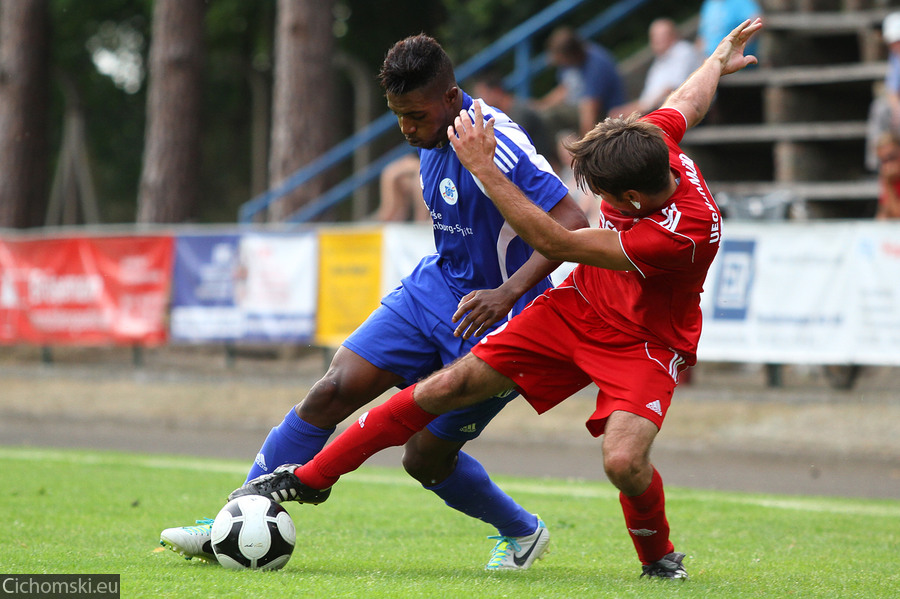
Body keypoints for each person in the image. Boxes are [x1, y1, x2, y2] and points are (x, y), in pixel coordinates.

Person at [229, 19, 764, 580]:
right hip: (575, 308)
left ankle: (656, 558)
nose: (593, 198)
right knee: (440, 386)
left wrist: (484, 169)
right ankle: (309, 480)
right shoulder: (651, 147)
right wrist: (716, 61)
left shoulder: (681, 236)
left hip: (645, 341)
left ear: (629, 198)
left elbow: (558, 238)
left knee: (624, 462)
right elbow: (685, 102)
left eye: (601, 195)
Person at [160, 34, 588, 571]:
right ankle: (234, 516)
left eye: (414, 114)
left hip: (506, 317)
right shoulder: (431, 139)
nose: (406, 128)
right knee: (330, 391)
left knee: (424, 459)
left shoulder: (497, 141)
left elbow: (573, 224)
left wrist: (507, 292)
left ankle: (522, 531)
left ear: (451, 97)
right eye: (397, 115)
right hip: (434, 290)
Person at [534, 27, 627, 137]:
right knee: (538, 115)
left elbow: (590, 110)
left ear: (570, 55)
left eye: (560, 58)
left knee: (547, 117)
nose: (557, 62)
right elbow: (564, 89)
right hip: (579, 109)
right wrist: (539, 106)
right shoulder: (570, 64)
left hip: (607, 116)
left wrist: (583, 147)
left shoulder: (596, 65)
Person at [614, 18, 702, 117]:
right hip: (660, 110)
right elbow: (647, 98)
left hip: (680, 111)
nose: (657, 41)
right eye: (654, 37)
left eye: (662, 36)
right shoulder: (660, 60)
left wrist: (638, 109)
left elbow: (672, 88)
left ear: (673, 35)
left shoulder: (683, 51)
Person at [472, 71, 555, 167]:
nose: (479, 102)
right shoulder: (506, 114)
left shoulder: (520, 113)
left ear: (496, 92)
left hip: (545, 168)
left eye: (482, 94)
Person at [865, 12, 900, 172]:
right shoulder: (895, 57)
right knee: (879, 109)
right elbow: (892, 89)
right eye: (892, 43)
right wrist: (897, 109)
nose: (895, 46)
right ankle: (878, 164)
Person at [375, 152, 430, 222]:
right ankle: (390, 212)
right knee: (390, 173)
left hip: (431, 165)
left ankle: (422, 220)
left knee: (420, 176)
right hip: (421, 160)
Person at [874, 131, 900, 219]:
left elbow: (897, 214)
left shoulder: (888, 180)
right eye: (883, 161)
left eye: (892, 157)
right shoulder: (890, 178)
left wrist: (888, 184)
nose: (888, 165)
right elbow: (883, 215)